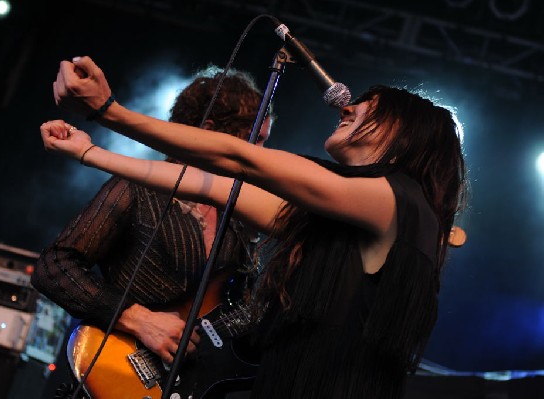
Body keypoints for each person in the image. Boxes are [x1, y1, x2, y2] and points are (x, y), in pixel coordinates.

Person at [41, 55, 467, 399]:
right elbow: (216, 187)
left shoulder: (397, 199)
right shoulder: (342, 217)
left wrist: (108, 111)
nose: (348, 106)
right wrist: (90, 153)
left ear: (404, 135)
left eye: (371, 108)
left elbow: (240, 161)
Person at [32, 65, 273, 397]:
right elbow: (53, 267)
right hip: (115, 372)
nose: (261, 155)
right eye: (255, 140)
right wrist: (139, 320)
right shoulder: (139, 188)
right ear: (208, 129)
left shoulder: (241, 219)